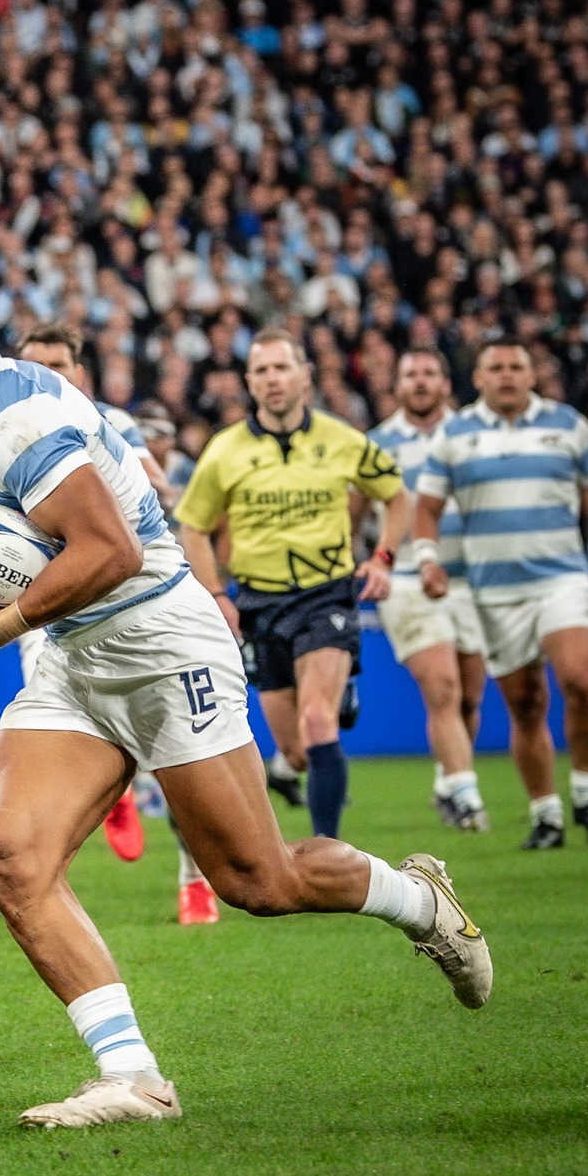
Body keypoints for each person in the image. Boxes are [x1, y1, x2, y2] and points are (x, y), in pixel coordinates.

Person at [0, 259, 490, 1129]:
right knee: (10, 860)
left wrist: (2, 626)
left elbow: (106, 549)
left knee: (258, 881)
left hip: (161, 642)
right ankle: (136, 1078)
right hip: (76, 659)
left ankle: (421, 900)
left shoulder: (17, 411)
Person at [174, 327, 409, 841]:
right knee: (299, 753)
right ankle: (340, 694)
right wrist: (217, 595)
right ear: (248, 382)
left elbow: (397, 495)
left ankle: (329, 849)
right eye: (261, 370)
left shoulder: (341, 438)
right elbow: (193, 526)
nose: (272, 379)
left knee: (317, 722)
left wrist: (383, 559)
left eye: (282, 368)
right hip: (260, 602)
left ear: (305, 376)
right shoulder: (225, 450)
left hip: (327, 592)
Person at [15, 322, 215, 922]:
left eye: (60, 364)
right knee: (64, 710)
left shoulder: (109, 424)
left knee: (181, 754)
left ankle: (194, 878)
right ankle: (116, 792)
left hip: (130, 600)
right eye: (35, 365)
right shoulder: (4, 430)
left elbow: (157, 487)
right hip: (48, 609)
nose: (49, 376)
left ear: (81, 373)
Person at [413, 342, 588, 849]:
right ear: (478, 377)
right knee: (526, 703)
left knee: (583, 680)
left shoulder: (569, 426)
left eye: (517, 366)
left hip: (561, 578)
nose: (507, 375)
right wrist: (428, 558)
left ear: (532, 372)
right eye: (496, 367)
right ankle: (547, 814)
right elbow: (426, 507)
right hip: (495, 591)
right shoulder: (455, 434)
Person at [368, 349, 489, 833]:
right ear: (396, 385)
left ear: (446, 382)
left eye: (429, 374)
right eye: (410, 374)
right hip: (407, 581)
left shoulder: (472, 435)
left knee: (468, 698)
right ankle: (466, 796)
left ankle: (446, 779)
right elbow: (353, 510)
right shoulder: (378, 444)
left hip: (472, 580)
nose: (420, 382)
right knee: (442, 686)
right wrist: (370, 559)